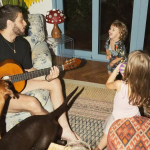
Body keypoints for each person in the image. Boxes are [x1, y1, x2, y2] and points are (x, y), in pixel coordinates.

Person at [0, 4, 78, 141]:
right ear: (9, 23)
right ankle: (56, 131)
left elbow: (30, 71)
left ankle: (65, 128)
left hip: (17, 84)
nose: (26, 22)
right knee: (32, 103)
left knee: (55, 81)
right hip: (2, 95)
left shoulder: (22, 44)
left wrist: (48, 76)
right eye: (21, 20)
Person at [94, 50, 150, 150]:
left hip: (117, 118)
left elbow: (107, 85)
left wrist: (117, 69)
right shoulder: (144, 88)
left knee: (105, 138)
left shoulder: (120, 84)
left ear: (128, 69)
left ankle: (97, 148)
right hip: (134, 117)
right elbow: (140, 103)